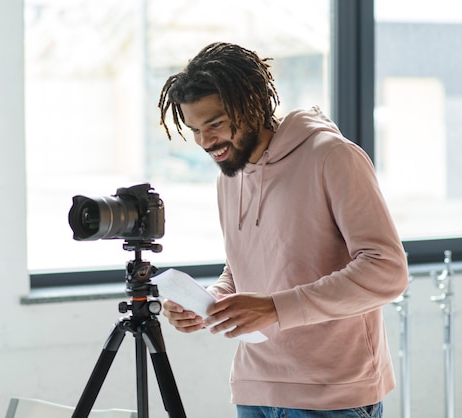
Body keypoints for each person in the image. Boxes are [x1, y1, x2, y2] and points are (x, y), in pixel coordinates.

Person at [157, 42, 408, 418]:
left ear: (253, 102)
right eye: (194, 129)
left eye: (215, 124)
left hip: (332, 394)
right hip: (255, 388)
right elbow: (243, 267)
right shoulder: (230, 176)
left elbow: (386, 270)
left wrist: (276, 308)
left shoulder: (330, 156)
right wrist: (207, 302)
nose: (206, 142)